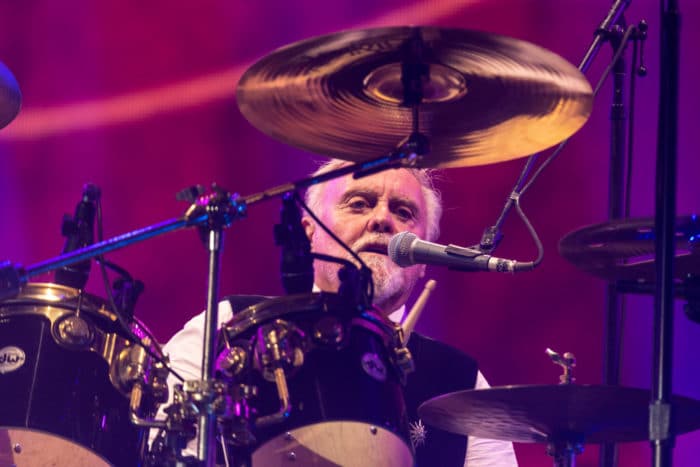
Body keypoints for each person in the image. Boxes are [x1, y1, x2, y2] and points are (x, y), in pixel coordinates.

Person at [157, 159, 519, 466]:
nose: (382, 219)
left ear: (424, 257)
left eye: (403, 212)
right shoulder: (228, 324)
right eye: (359, 204)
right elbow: (161, 447)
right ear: (308, 233)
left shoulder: (461, 381)